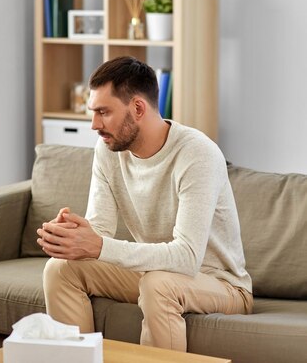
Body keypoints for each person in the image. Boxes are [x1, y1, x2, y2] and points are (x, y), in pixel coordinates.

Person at [37, 56, 253, 352]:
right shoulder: (108, 149)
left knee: (158, 285)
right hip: (154, 271)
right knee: (60, 269)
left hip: (220, 284)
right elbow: (100, 228)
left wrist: (97, 246)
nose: (94, 125)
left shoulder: (197, 154)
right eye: (93, 112)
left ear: (137, 108)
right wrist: (76, 235)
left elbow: (187, 257)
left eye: (103, 112)